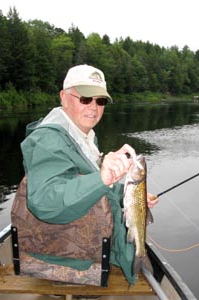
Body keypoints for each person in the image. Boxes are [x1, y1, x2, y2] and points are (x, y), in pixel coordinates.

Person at [11, 64, 158, 288]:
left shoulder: (83, 136)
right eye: (85, 99)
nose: (94, 107)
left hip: (87, 248)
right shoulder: (48, 140)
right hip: (69, 260)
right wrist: (101, 178)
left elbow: (84, 184)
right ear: (64, 97)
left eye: (100, 101)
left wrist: (127, 196)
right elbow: (45, 202)